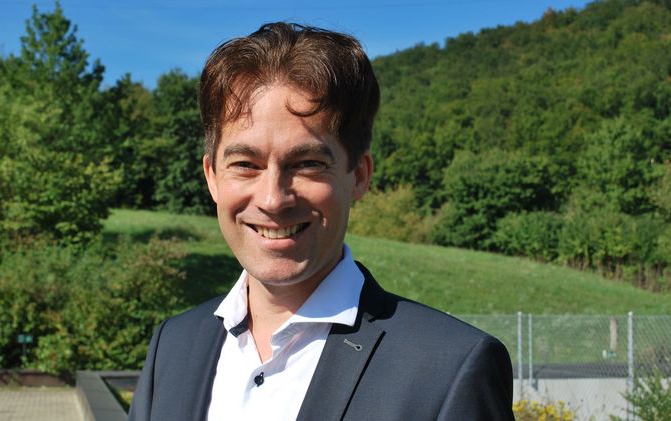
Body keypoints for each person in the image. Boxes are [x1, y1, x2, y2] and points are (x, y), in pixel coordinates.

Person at [128, 22, 514, 421]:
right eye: (245, 164)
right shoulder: (172, 345)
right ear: (212, 177)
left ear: (359, 176)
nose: (273, 199)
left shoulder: (449, 369)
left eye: (308, 164)